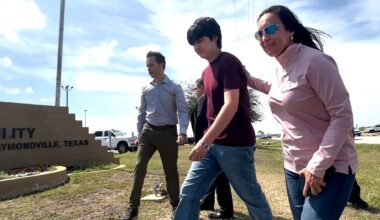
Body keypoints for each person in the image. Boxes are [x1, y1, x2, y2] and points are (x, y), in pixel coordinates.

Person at [245, 5, 357, 220]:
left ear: (290, 30)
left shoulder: (316, 61)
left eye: (270, 30)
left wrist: (317, 166)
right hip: (293, 167)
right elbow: (281, 91)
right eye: (259, 33)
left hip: (329, 168)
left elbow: (342, 116)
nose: (264, 38)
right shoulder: (280, 68)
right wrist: (248, 79)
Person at [175, 17, 272, 220]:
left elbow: (231, 105)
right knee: (189, 193)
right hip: (212, 146)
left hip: (236, 144)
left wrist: (203, 141)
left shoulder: (228, 62)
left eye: (200, 40)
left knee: (251, 196)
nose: (196, 46)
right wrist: (207, 141)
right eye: (193, 43)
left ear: (214, 38)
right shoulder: (205, 71)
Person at [123, 51, 189, 220]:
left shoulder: (175, 87)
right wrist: (139, 134)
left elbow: (182, 110)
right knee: (139, 166)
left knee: (171, 171)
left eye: (151, 65)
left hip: (168, 133)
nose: (149, 69)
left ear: (162, 65)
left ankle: (175, 206)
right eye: (147, 66)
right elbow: (141, 112)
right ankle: (133, 208)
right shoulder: (146, 88)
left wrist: (182, 132)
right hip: (148, 132)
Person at [190, 79, 234, 219]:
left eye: (196, 88)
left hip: (211, 144)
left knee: (221, 177)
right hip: (204, 144)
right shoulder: (199, 103)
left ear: (202, 87)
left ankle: (226, 210)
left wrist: (205, 142)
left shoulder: (209, 101)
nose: (195, 91)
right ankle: (207, 202)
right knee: (208, 175)